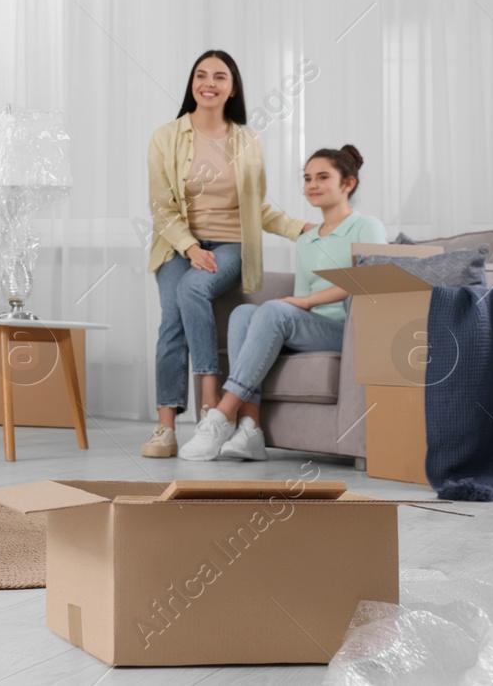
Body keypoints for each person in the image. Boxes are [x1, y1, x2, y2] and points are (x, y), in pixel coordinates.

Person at [141, 50, 312, 459]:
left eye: (220, 76)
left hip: (234, 244)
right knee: (171, 324)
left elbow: (259, 206)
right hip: (176, 244)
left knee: (192, 291)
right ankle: (166, 429)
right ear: (192, 84)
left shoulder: (247, 140)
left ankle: (209, 407)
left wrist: (297, 228)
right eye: (201, 75)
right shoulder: (166, 136)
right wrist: (190, 247)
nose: (209, 83)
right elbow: (161, 207)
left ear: (232, 87)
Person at [181, 145, 384, 461]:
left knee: (276, 309)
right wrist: (298, 306)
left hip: (347, 329)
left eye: (322, 177)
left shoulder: (366, 226)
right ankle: (250, 428)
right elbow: (302, 298)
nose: (312, 185)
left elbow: (365, 280)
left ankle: (222, 415)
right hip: (311, 328)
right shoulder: (306, 239)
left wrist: (302, 303)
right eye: (307, 179)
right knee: (243, 313)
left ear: (348, 183)